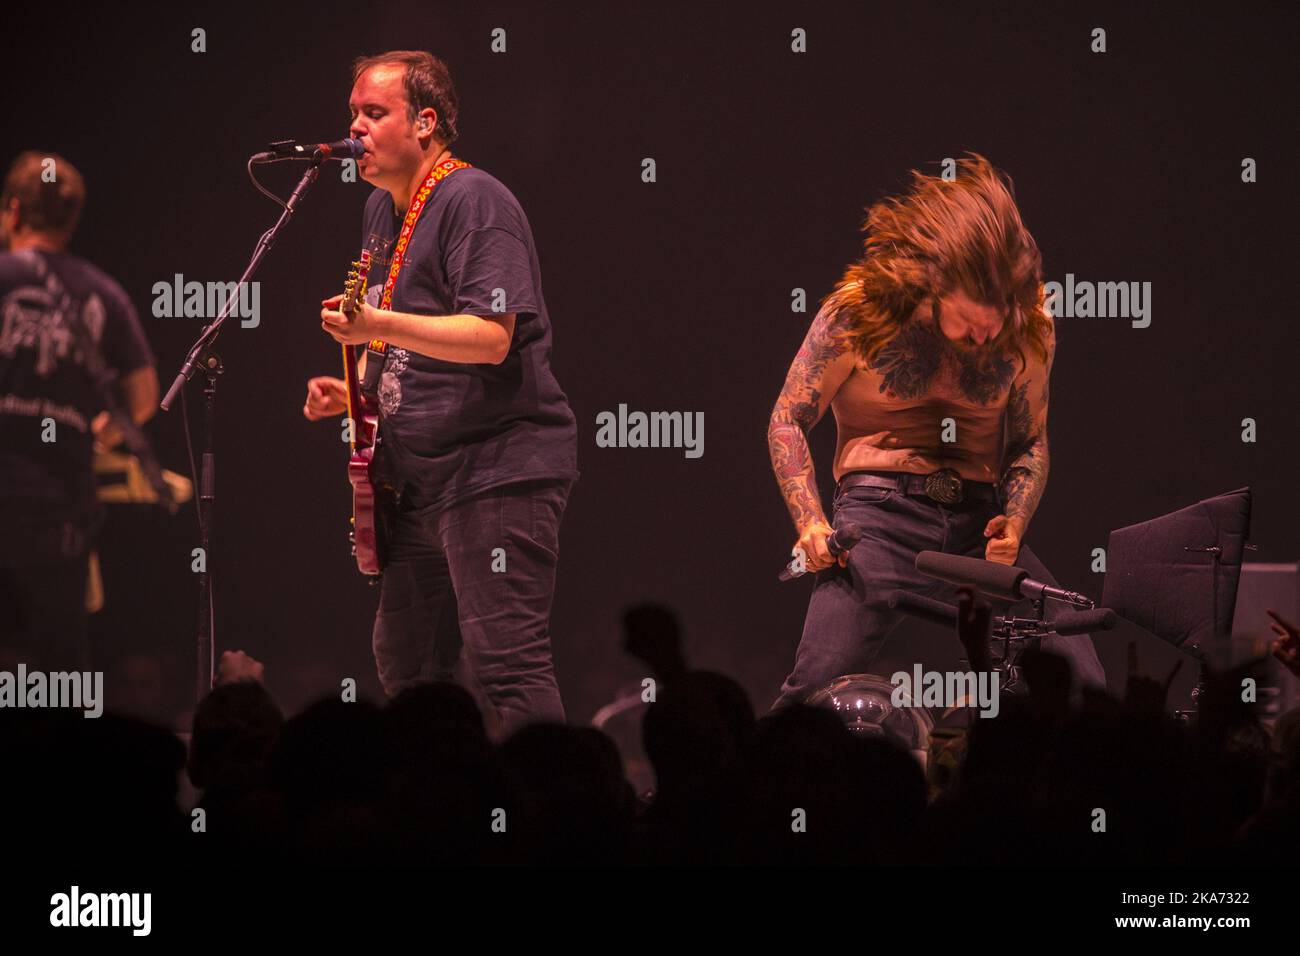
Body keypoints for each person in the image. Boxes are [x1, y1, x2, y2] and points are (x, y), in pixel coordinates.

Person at [303, 51, 578, 734]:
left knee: (505, 663)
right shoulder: (380, 208)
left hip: (493, 470)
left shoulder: (473, 198)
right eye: (353, 115)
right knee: (407, 667)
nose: (356, 129)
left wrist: (374, 324)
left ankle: (557, 819)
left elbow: (489, 336)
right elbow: (415, 340)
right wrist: (355, 391)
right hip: (418, 481)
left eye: (374, 113)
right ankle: (440, 813)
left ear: (426, 122)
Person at [767, 154, 1104, 708]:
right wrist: (809, 522)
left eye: (994, 322)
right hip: (878, 521)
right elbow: (788, 417)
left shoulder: (1029, 330)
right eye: (972, 321)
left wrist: (1014, 523)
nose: (983, 335)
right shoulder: (861, 314)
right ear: (936, 281)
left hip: (977, 524)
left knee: (1082, 675)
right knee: (813, 690)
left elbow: (1029, 442)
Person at [0, 151, 158, 667]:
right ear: (71, 219)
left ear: (14, 210)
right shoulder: (105, 295)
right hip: (61, 508)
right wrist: (104, 432)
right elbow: (144, 394)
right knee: (55, 665)